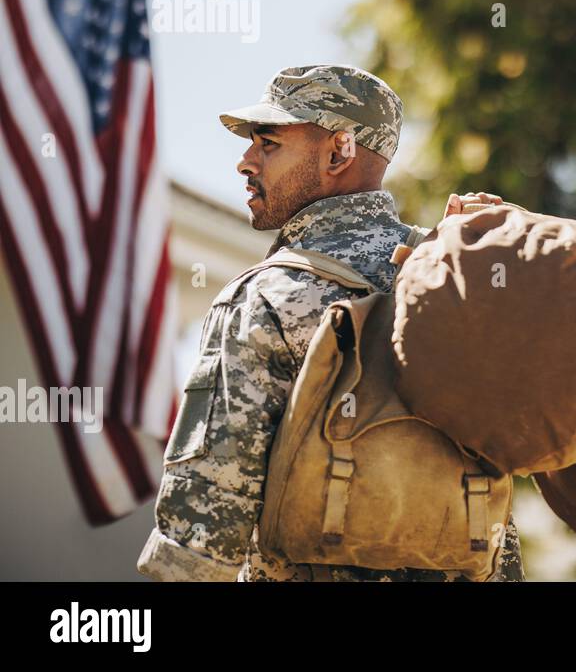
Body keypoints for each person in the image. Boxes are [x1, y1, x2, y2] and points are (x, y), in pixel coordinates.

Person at [136, 63, 524, 582]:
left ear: (340, 150)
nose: (244, 162)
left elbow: (200, 540)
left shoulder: (264, 298)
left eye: (268, 143)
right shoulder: (457, 276)